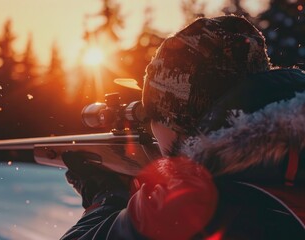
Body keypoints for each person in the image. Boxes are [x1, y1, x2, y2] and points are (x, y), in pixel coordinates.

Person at [61, 15, 305, 240]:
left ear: (176, 120)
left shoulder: (189, 203)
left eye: (154, 115)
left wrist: (104, 199)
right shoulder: (285, 164)